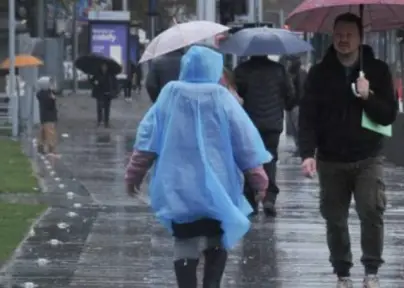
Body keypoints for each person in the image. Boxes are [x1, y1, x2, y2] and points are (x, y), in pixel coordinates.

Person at [124, 45, 272, 288]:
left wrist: (134, 175)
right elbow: (244, 140)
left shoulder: (170, 94)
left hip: (178, 185)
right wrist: (259, 178)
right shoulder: (222, 97)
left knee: (184, 238)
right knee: (216, 236)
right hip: (219, 183)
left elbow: (147, 139)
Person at [298, 13, 397, 288]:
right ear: (333, 36)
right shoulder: (319, 73)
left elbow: (389, 115)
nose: (344, 40)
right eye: (339, 34)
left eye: (349, 35)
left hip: (368, 156)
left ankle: (371, 271)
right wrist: (307, 153)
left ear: (360, 38)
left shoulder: (377, 70)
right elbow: (307, 116)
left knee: (372, 211)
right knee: (335, 219)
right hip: (331, 159)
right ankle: (342, 272)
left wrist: (368, 96)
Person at [234, 55, 296, 217]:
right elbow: (290, 96)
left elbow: (235, 95)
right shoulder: (279, 70)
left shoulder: (242, 70)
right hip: (272, 124)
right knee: (270, 158)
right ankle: (269, 197)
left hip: (249, 124)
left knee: (249, 160)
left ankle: (250, 200)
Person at [284, 55, 307, 154]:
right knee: (294, 127)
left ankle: (301, 147)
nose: (288, 63)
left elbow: (301, 90)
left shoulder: (298, 73)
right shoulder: (291, 73)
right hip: (292, 105)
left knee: (297, 127)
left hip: (296, 104)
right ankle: (299, 147)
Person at [90, 63, 117, 128]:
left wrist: (114, 90)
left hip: (108, 93)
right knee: (99, 107)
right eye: (103, 66)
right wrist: (95, 82)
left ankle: (106, 122)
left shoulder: (110, 74)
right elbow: (92, 81)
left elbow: (114, 82)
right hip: (100, 93)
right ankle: (99, 121)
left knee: (107, 108)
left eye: (105, 66)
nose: (104, 68)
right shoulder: (97, 74)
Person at [36, 76, 58, 155]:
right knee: (50, 132)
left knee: (43, 132)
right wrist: (53, 99)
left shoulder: (42, 93)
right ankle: (51, 148)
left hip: (44, 116)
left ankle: (40, 147)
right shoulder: (46, 95)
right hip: (48, 116)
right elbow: (50, 105)